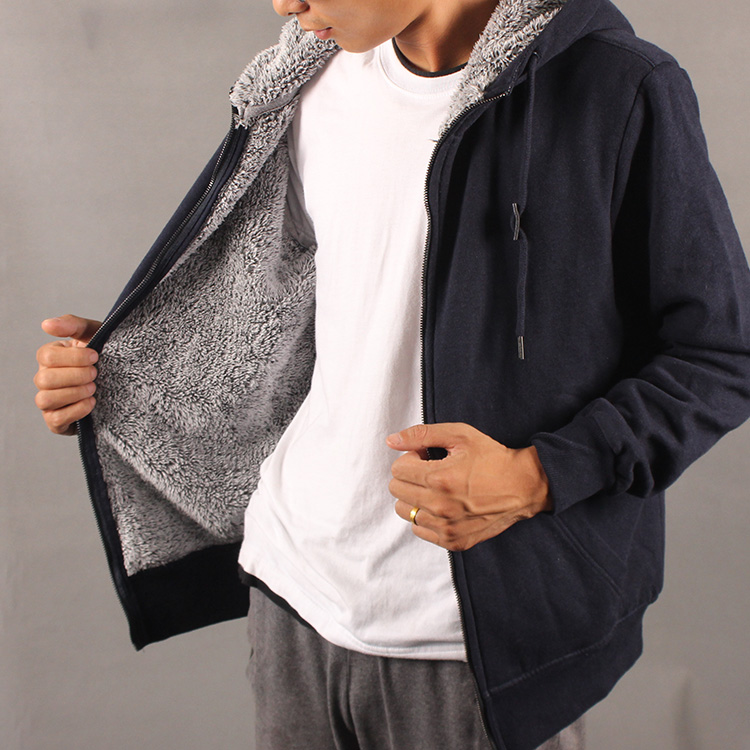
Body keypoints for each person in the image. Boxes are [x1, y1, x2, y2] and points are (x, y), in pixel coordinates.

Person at [33, 0, 750, 748]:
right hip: (293, 596)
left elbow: (719, 352)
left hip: (471, 640)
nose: (284, 4)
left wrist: (538, 476)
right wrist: (133, 370)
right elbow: (277, 317)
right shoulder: (306, 86)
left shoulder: (616, 89)